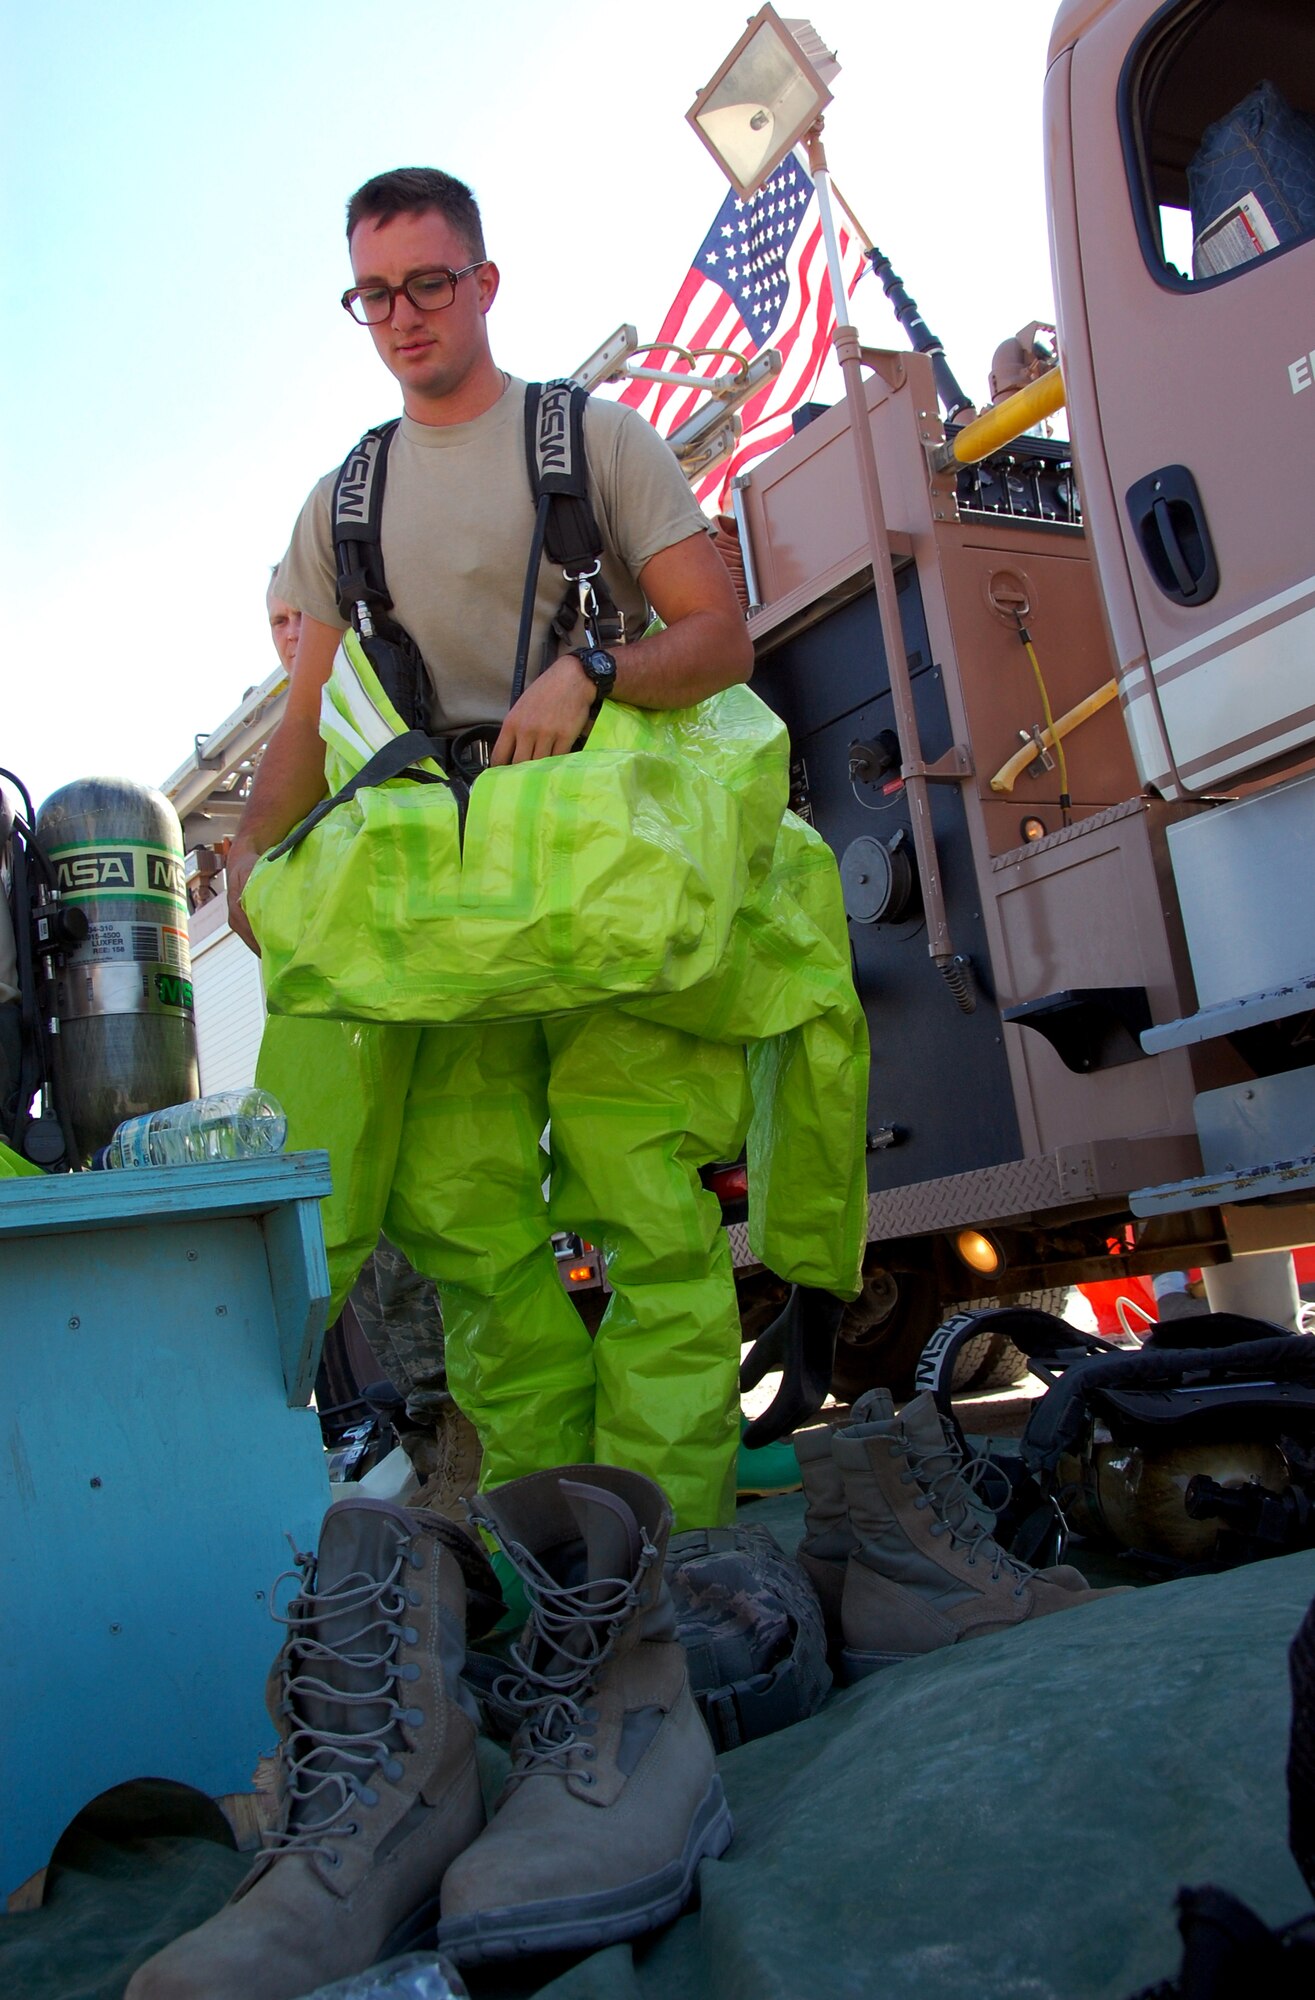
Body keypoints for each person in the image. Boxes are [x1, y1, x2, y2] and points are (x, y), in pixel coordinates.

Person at [235, 167, 755, 1530]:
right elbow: (308, 718)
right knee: (469, 1237)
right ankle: (555, 1559)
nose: (403, 315)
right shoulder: (340, 505)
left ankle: (675, 1553)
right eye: (373, 295)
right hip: (444, 924)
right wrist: (251, 860)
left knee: (652, 1217)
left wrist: (595, 667)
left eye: (427, 283)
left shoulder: (595, 442)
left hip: (606, 898)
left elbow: (721, 639)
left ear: (483, 283)